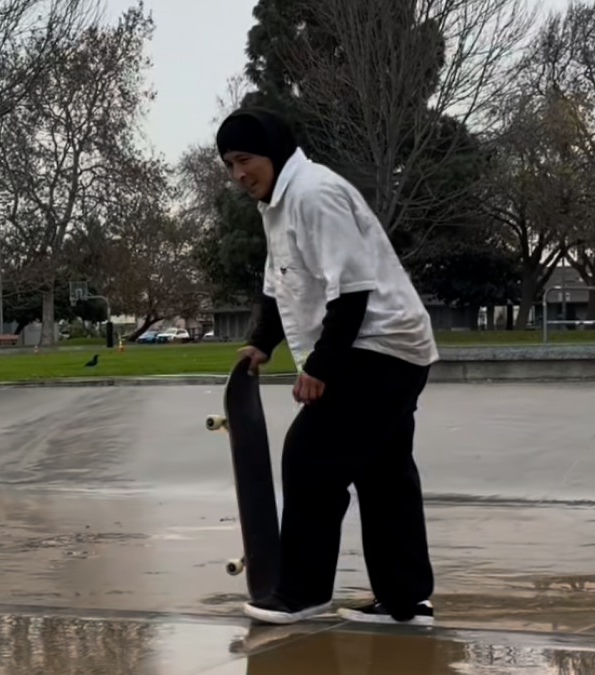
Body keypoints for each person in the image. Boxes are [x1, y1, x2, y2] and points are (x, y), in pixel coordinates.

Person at [215, 107, 439, 626]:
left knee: (310, 458)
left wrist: (319, 368)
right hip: (389, 350)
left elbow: (353, 288)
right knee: (383, 476)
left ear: (271, 151)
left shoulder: (315, 194)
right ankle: (406, 604)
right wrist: (260, 344)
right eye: (229, 164)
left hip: (379, 346)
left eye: (245, 159)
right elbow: (281, 284)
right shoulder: (277, 205)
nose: (238, 174)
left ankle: (301, 593)